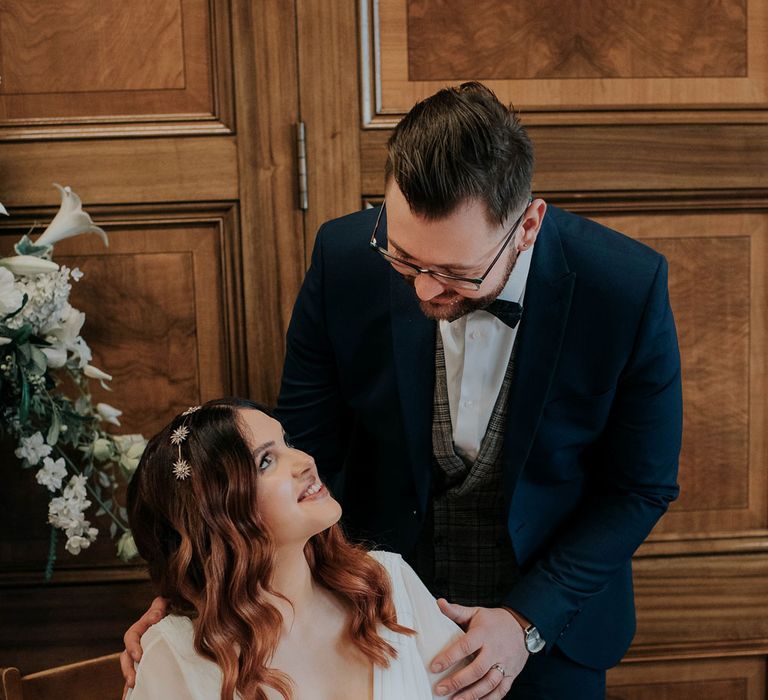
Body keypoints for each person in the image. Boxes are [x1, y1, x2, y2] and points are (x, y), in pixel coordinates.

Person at [124, 82, 682, 699]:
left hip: (554, 630)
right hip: (365, 625)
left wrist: (526, 621)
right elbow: (301, 444)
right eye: (404, 259)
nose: (422, 291)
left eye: (457, 274)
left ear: (528, 226)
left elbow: (638, 486)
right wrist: (205, 583)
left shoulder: (624, 287)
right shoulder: (343, 258)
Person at [123, 398, 466, 700]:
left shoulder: (388, 584)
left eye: (287, 442)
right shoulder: (173, 656)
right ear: (215, 516)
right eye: (266, 461)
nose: (305, 460)